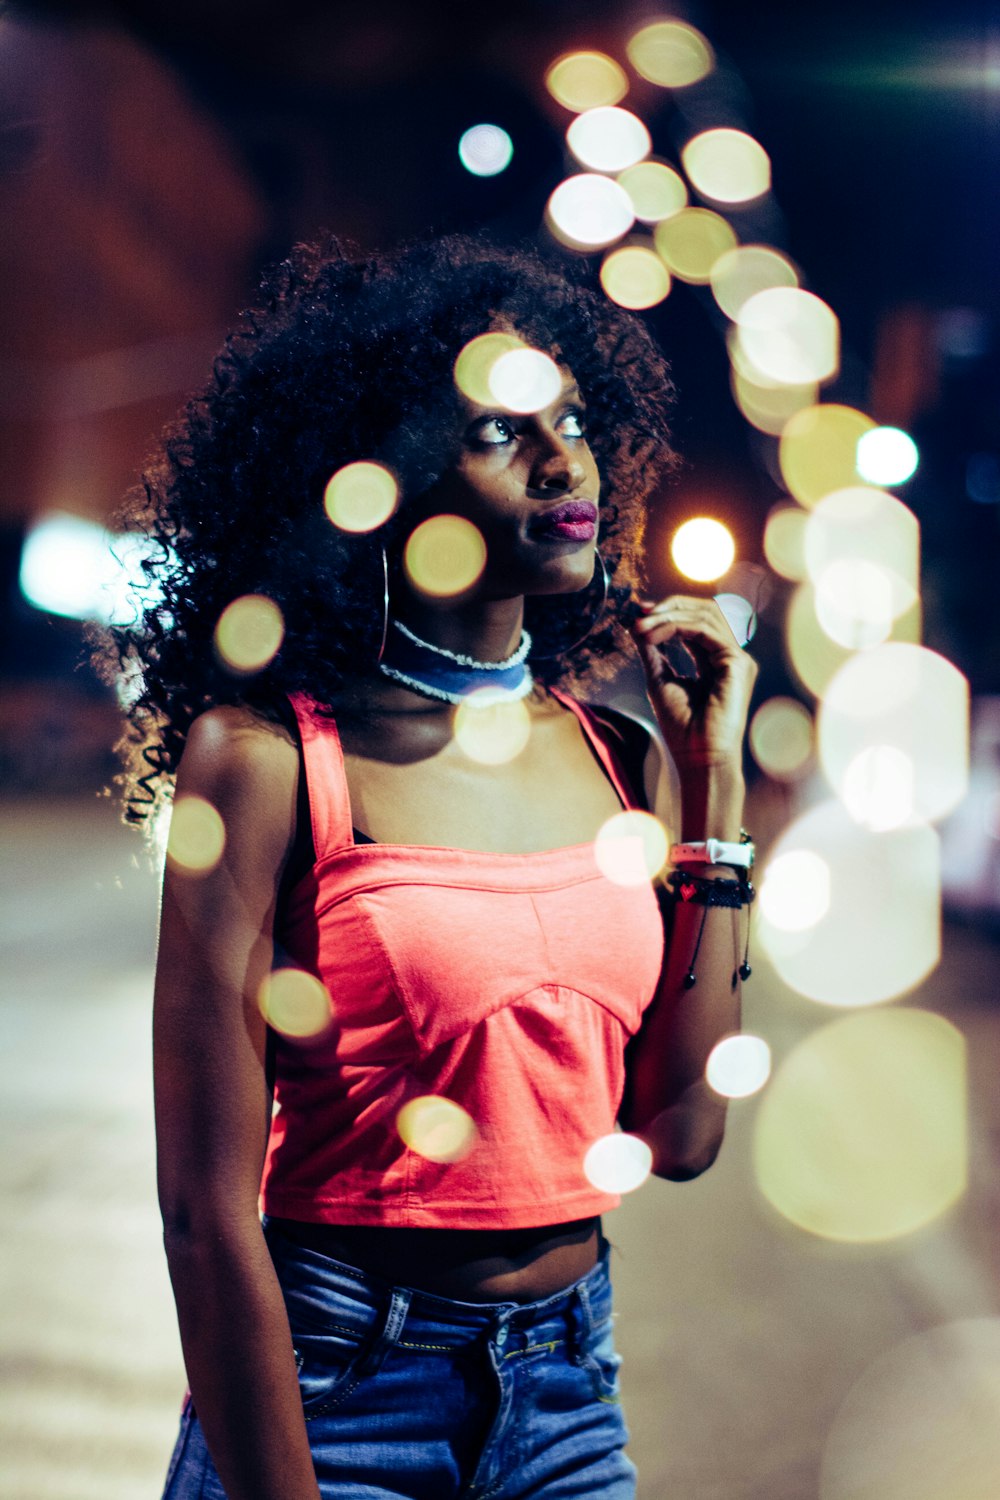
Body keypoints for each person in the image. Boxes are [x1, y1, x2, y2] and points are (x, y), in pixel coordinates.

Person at [96, 234, 757, 1499]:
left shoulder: (621, 756)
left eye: (573, 419)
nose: (565, 462)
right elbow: (201, 1212)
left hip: (567, 1395)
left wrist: (713, 785)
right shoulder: (270, 761)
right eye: (502, 433)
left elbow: (677, 1134)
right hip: (337, 1393)